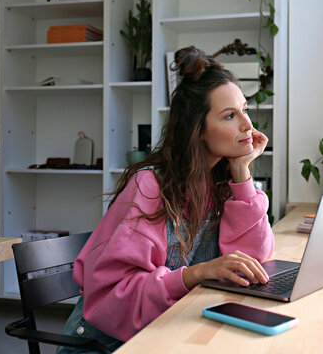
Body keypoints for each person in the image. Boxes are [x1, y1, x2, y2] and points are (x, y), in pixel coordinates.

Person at [57, 46, 275, 353]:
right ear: (198, 129)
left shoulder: (219, 183)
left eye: (245, 110)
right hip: (105, 344)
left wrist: (241, 173)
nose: (247, 126)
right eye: (229, 115)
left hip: (167, 333)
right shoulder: (150, 185)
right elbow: (114, 296)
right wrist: (197, 273)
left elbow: (253, 260)